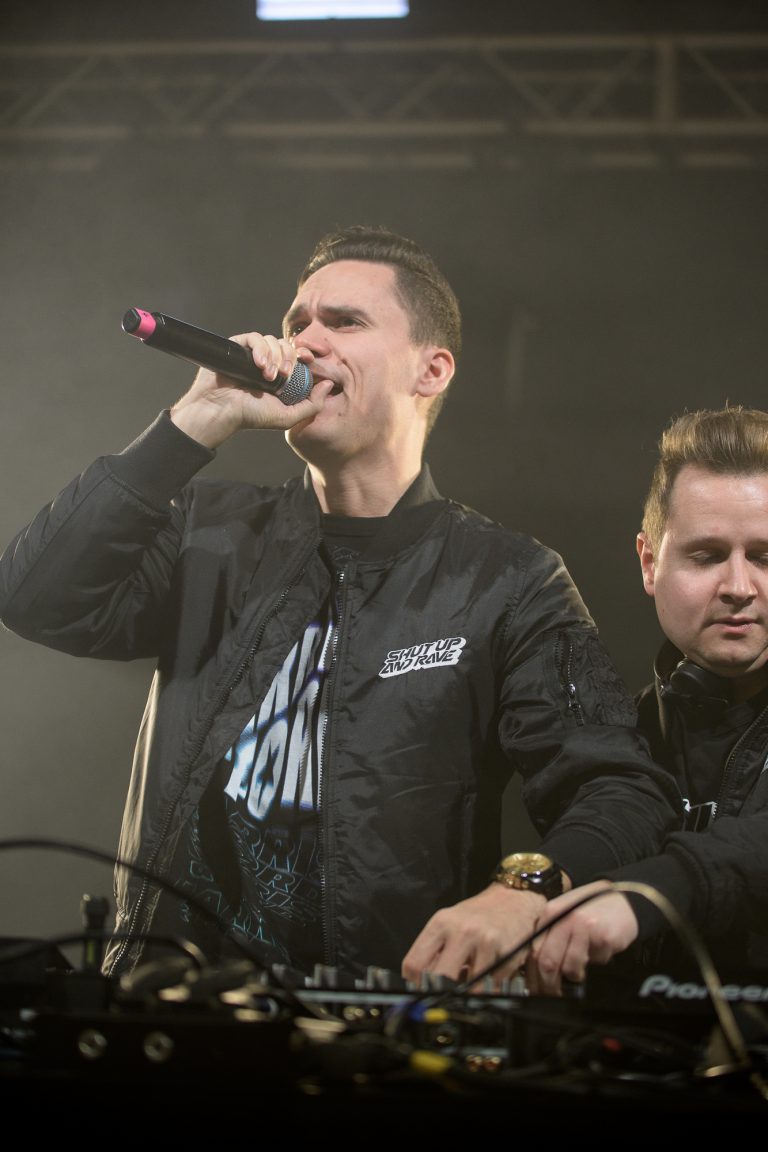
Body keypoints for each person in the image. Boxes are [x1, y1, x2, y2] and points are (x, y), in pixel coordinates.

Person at [0, 225, 678, 989]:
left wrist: (521, 892)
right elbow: (35, 599)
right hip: (174, 1004)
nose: (305, 342)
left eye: (345, 322)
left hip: (380, 1022)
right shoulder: (209, 534)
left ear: (430, 370)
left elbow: (618, 790)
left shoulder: (506, 579)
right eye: (297, 323)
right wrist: (194, 421)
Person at [528, 406, 768, 995]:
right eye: (706, 556)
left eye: (765, 557)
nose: (739, 587)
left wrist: (654, 891)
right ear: (649, 563)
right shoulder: (619, 742)